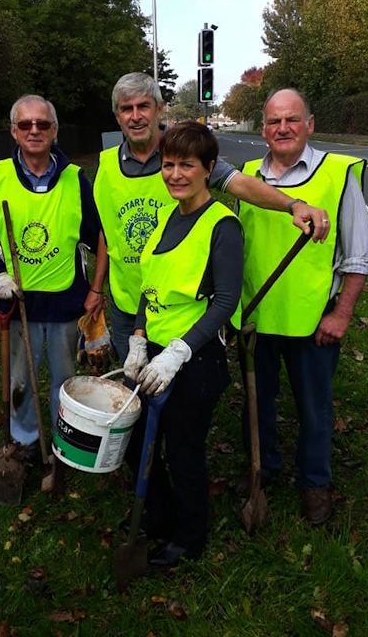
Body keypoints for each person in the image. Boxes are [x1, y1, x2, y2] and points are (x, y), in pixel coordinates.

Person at [89, 72, 331, 367]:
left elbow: (239, 183)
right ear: (117, 116)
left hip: (182, 307)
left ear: (160, 108)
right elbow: (107, 231)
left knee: (181, 395)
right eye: (127, 109)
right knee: (135, 389)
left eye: (144, 106)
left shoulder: (186, 153)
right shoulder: (105, 167)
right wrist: (97, 288)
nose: (136, 116)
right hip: (129, 304)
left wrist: (292, 204)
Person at [236, 88, 368, 524]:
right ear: (263, 129)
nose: (283, 128)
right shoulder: (246, 177)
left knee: (315, 407)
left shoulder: (337, 174)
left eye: (292, 120)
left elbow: (358, 254)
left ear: (309, 125)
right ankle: (265, 466)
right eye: (274, 121)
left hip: (314, 319)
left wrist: (342, 313)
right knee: (258, 402)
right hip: (257, 316)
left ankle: (315, 482)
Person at [122, 121, 243, 566]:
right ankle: (158, 516)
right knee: (136, 443)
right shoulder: (167, 217)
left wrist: (178, 352)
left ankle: (189, 538)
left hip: (194, 359)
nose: (174, 174)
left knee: (183, 449)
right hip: (152, 352)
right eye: (168, 164)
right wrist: (138, 338)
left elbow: (227, 300)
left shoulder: (221, 225)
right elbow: (147, 286)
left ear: (208, 168)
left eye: (186, 165)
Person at [0, 94, 101, 457]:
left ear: (54, 130)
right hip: (15, 302)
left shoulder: (75, 180)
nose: (34, 130)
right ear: (13, 131)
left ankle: (64, 440)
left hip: (65, 301)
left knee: (64, 379)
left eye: (42, 124)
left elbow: (98, 235)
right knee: (20, 379)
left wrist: (97, 288)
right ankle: (25, 440)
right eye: (25, 124)